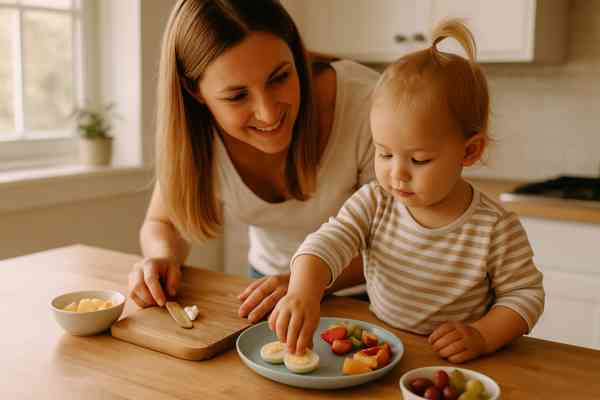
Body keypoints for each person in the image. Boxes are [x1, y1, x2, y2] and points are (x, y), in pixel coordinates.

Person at [269, 19, 545, 364]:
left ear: (469, 151)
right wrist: (302, 289)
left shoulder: (494, 227)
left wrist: (482, 336)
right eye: (384, 153)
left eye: (419, 159)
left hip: (456, 359)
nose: (396, 174)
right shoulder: (376, 201)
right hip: (384, 346)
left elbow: (525, 295)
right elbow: (329, 240)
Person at [128, 0, 379, 323]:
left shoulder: (368, 104)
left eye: (279, 78)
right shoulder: (196, 133)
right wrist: (161, 257)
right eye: (236, 96)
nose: (269, 113)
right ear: (196, 92)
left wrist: (305, 282)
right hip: (268, 284)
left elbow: (399, 237)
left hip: (369, 292)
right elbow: (165, 222)